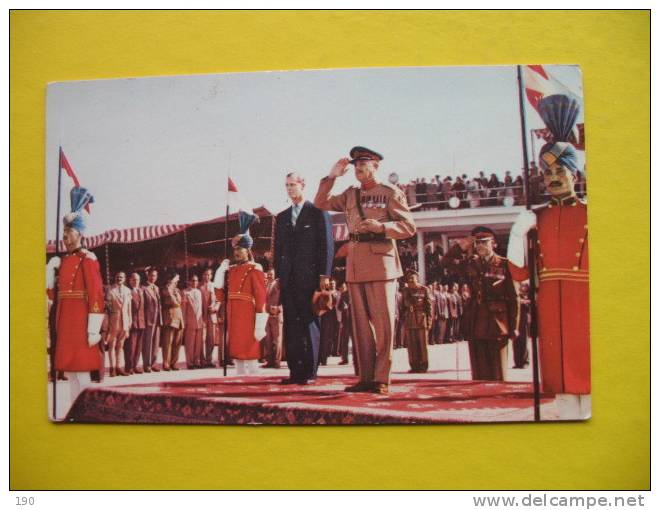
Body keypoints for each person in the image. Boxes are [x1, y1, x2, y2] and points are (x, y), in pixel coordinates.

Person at [507, 93, 590, 419]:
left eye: (560, 171)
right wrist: (518, 232)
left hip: (585, 301)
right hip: (551, 303)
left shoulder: (591, 214)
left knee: (590, 375)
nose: (553, 178)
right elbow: (518, 273)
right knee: (561, 384)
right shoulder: (536, 217)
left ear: (575, 174)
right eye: (546, 173)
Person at [314, 146, 416, 394]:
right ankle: (366, 377)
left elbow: (409, 226)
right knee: (359, 326)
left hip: (381, 262)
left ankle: (382, 378)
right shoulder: (350, 194)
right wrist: (332, 176)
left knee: (383, 324)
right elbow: (320, 203)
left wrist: (382, 228)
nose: (358, 168)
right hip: (356, 264)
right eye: (355, 164)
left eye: (364, 164)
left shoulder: (390, 193)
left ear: (375, 166)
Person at [46, 187, 104, 420]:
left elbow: (96, 295)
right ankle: (74, 412)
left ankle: (87, 413)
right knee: (70, 372)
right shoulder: (64, 260)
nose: (65, 236)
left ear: (80, 233)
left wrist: (93, 329)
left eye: (69, 231)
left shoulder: (87, 260)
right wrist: (51, 274)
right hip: (65, 324)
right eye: (64, 231)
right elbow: (53, 296)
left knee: (81, 373)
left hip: (81, 324)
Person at [274, 172, 333, 385]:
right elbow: (278, 248)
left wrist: (324, 275)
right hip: (288, 280)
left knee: (309, 325)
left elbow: (326, 244)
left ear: (303, 185)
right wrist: (278, 276)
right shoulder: (281, 217)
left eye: (293, 185)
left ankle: (309, 372)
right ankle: (295, 372)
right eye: (286, 185)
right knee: (291, 326)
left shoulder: (317, 211)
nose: (290, 189)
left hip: (310, 280)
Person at [443, 227, 519, 381]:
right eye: (477, 243)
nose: (480, 246)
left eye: (485, 242)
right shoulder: (471, 264)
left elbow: (514, 298)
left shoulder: (504, 265)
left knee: (498, 371)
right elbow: (446, 262)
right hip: (475, 320)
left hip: (497, 323)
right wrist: (460, 246)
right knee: (479, 371)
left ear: (494, 244)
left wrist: (514, 327)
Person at [215, 211, 267, 376]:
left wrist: (260, 323)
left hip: (248, 313)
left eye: (240, 249)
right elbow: (220, 295)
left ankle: (253, 376)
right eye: (235, 249)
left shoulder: (255, 268)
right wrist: (220, 272)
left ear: (248, 250)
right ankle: (238, 376)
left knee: (249, 348)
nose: (237, 252)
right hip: (233, 312)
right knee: (236, 349)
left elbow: (261, 297)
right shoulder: (230, 270)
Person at [401, 270, 432, 373]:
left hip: (421, 319)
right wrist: (403, 320)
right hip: (410, 320)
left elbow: (429, 307)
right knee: (412, 344)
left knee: (422, 344)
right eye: (409, 279)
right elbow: (402, 307)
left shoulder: (424, 289)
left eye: (412, 278)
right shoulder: (405, 291)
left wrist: (429, 321)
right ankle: (414, 365)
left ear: (417, 278)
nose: (410, 281)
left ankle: (423, 365)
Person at [106, 271, 132, 376]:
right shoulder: (110, 290)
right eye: (117, 277)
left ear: (125, 278)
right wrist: (107, 323)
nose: (119, 278)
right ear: (115, 278)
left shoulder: (127, 290)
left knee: (120, 346)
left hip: (125, 321)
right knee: (112, 345)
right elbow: (107, 308)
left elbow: (129, 307)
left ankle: (118, 367)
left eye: (121, 277)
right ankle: (112, 368)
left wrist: (129, 320)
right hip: (114, 321)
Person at [161, 272, 184, 371]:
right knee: (168, 342)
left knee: (177, 342)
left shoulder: (177, 290)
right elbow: (172, 299)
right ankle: (166, 363)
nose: (177, 281)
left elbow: (179, 302)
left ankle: (174, 362)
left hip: (179, 317)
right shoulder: (166, 289)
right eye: (176, 279)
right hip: (170, 317)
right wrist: (171, 283)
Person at [141, 267, 162, 373]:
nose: (153, 277)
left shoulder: (157, 288)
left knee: (156, 343)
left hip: (157, 318)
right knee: (148, 343)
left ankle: (154, 363)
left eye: (155, 275)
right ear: (148, 276)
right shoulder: (144, 288)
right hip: (148, 319)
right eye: (151, 275)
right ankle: (147, 364)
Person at [262, 269, 283, 369]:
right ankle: (269, 361)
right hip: (267, 315)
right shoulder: (266, 285)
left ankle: (277, 361)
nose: (270, 276)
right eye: (268, 274)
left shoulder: (278, 284)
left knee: (277, 339)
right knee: (268, 339)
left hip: (276, 315)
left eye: (271, 274)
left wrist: (279, 308)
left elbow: (283, 297)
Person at [200, 268, 221, 368]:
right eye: (205, 275)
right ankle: (201, 360)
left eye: (209, 275)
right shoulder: (199, 287)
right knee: (201, 339)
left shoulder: (214, 286)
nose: (207, 277)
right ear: (202, 276)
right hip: (201, 317)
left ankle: (209, 360)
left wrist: (215, 308)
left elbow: (218, 300)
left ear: (211, 276)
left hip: (212, 316)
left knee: (211, 339)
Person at [182, 274, 204, 369]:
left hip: (199, 321)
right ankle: (190, 362)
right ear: (189, 282)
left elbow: (202, 308)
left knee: (198, 343)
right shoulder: (185, 292)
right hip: (190, 321)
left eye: (196, 281)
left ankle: (196, 361)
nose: (194, 283)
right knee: (190, 343)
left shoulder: (199, 292)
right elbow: (183, 309)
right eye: (193, 281)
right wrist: (183, 322)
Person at [126, 272, 146, 374]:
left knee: (138, 346)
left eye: (137, 280)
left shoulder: (141, 291)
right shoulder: (128, 292)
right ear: (129, 281)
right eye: (133, 279)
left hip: (141, 322)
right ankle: (129, 367)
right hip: (132, 322)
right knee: (131, 346)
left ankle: (135, 365)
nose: (135, 281)